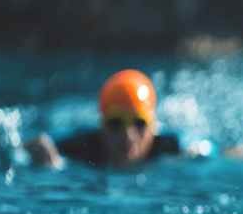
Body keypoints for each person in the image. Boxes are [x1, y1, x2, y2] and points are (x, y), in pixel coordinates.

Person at [25, 69, 187, 168]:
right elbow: (30, 145)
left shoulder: (170, 144)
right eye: (116, 123)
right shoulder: (84, 144)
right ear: (102, 125)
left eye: (139, 123)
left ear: (153, 125)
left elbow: (206, 149)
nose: (128, 135)